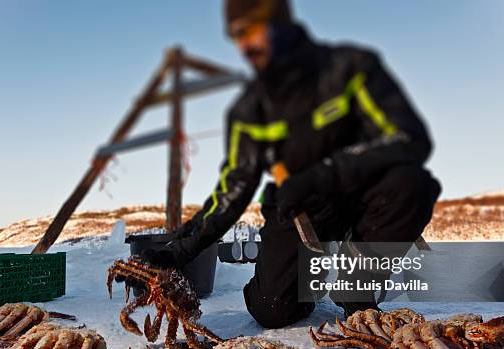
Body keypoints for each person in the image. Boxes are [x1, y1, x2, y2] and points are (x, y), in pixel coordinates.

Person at [140, 0, 441, 328]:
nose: (243, 45)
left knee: (412, 183)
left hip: (364, 199)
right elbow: (234, 188)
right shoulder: (249, 110)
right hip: (300, 211)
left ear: (278, 22)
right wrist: (177, 251)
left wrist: (323, 175)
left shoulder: (352, 68)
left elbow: (408, 137)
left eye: (249, 30)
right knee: (271, 311)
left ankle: (357, 287)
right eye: (236, 36)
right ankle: (306, 274)